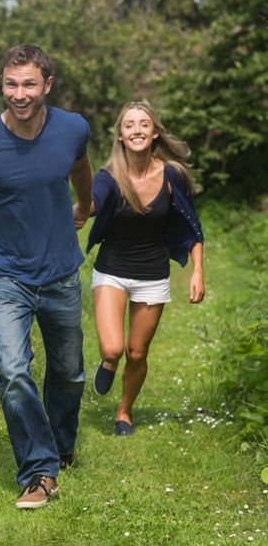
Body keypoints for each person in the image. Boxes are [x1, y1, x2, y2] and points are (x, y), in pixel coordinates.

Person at [0, 44, 93, 508]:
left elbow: (80, 167)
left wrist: (85, 205)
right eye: (11, 84)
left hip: (61, 271)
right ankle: (39, 471)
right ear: (1, 85)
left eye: (29, 83)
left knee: (68, 374)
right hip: (6, 273)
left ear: (46, 84)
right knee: (12, 372)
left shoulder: (72, 128)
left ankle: (60, 446)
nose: (20, 93)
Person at [83, 100, 204, 435]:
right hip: (112, 270)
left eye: (143, 124)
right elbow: (94, 201)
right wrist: (80, 209)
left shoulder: (171, 175)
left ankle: (124, 412)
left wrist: (197, 272)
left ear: (154, 133)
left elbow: (191, 226)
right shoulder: (110, 177)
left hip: (153, 275)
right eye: (129, 125)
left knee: (137, 353)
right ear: (120, 136)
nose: (136, 130)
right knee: (114, 348)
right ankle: (108, 362)